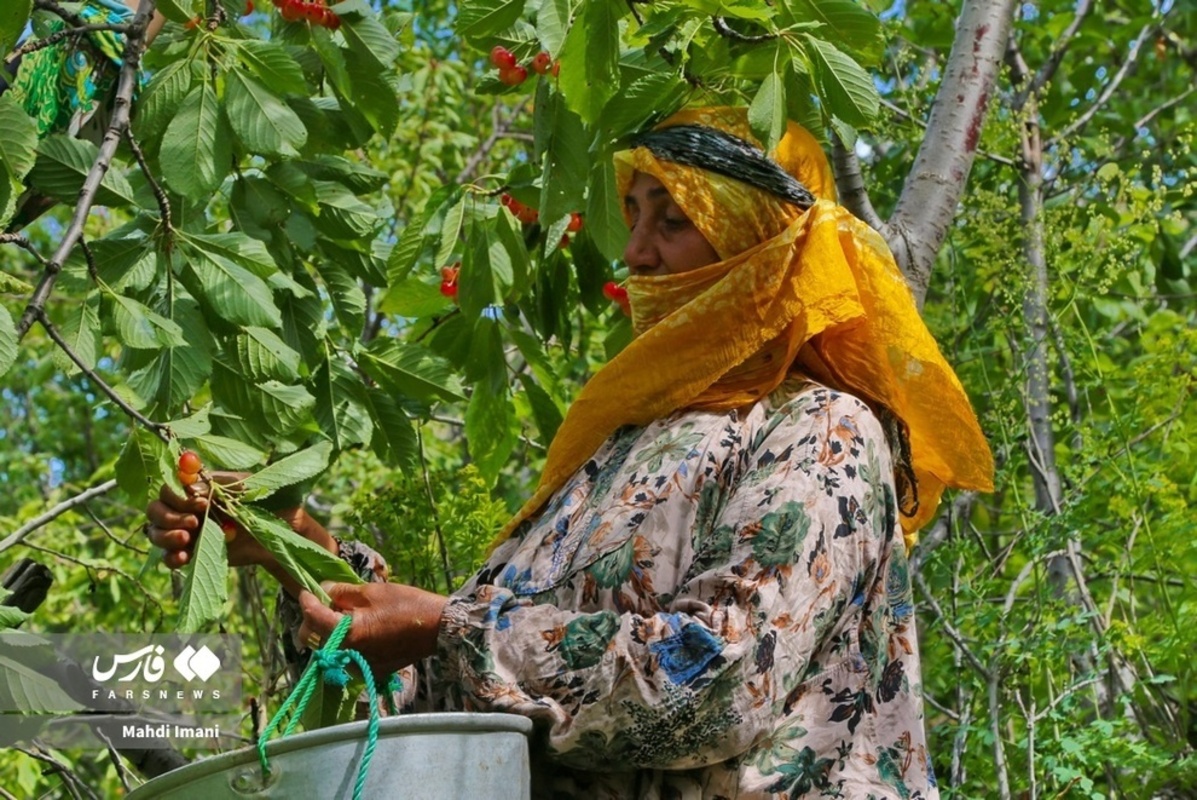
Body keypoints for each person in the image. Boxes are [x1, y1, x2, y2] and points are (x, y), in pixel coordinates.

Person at [147, 107, 994, 798]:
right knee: (71, 696)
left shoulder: (819, 430)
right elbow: (472, 694)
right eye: (633, 220)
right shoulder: (621, 448)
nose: (633, 256)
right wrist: (303, 552)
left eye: (673, 223)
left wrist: (446, 629)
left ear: (755, 246)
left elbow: (721, 679)